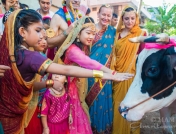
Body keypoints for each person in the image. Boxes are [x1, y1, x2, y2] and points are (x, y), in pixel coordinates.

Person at [0, 9, 133, 134]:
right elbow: (68, 69)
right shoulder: (32, 56)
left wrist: (50, 82)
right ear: (22, 32)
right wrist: (107, 74)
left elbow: (31, 86)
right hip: (63, 94)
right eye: (38, 30)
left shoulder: (14, 53)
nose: (43, 36)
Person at [54, 16, 132, 134]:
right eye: (88, 33)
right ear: (78, 33)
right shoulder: (73, 50)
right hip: (69, 92)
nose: (91, 37)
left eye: (93, 33)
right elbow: (90, 63)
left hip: (76, 87)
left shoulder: (82, 47)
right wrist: (112, 73)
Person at [111, 6, 147, 134]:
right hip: (117, 75)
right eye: (126, 18)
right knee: (118, 103)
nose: (129, 21)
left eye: (132, 18)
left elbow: (143, 57)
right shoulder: (117, 34)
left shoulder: (141, 34)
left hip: (132, 76)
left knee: (131, 105)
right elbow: (113, 54)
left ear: (136, 19)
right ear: (122, 19)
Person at [87, 5, 115, 134]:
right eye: (103, 14)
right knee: (88, 101)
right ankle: (88, 128)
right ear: (98, 14)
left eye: (109, 15)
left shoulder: (113, 32)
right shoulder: (89, 30)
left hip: (106, 74)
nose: (106, 17)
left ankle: (102, 129)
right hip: (88, 72)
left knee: (103, 101)